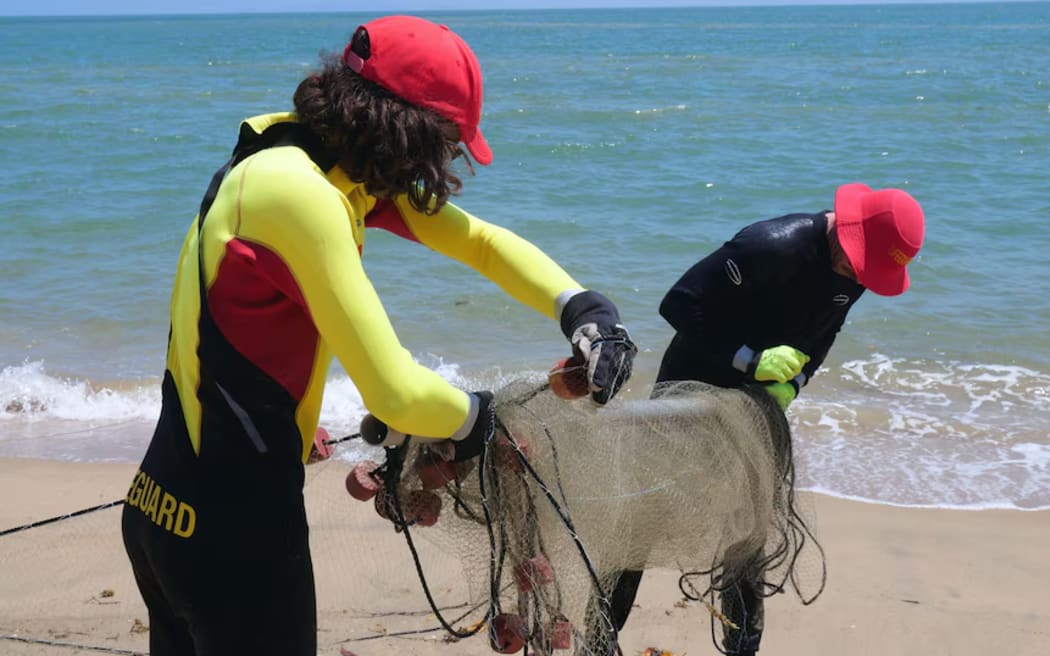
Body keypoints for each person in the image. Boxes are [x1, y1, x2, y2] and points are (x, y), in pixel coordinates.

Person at [120, 15, 636, 656]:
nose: (443, 162)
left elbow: (477, 241)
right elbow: (394, 392)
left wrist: (585, 310)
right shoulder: (301, 196)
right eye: (445, 142)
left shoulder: (304, 161)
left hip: (164, 503)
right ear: (406, 129)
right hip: (234, 534)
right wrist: (481, 421)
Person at [603, 183, 925, 655]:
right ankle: (598, 638)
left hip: (754, 405)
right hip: (691, 384)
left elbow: (822, 337)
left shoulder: (858, 266)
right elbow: (677, 303)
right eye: (856, 263)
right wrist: (748, 361)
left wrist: (793, 384)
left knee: (748, 530)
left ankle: (742, 649)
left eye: (866, 271)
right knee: (643, 522)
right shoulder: (770, 246)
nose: (855, 275)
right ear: (850, 230)